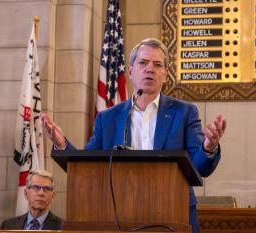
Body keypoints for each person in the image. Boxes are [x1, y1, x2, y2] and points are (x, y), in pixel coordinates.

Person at [41, 38, 226, 232]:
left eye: (157, 65)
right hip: (120, 213)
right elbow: (88, 167)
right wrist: (62, 145)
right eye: (143, 63)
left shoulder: (184, 112)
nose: (150, 69)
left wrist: (208, 147)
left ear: (165, 74)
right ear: (130, 71)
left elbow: (199, 167)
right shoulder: (108, 118)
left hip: (174, 211)